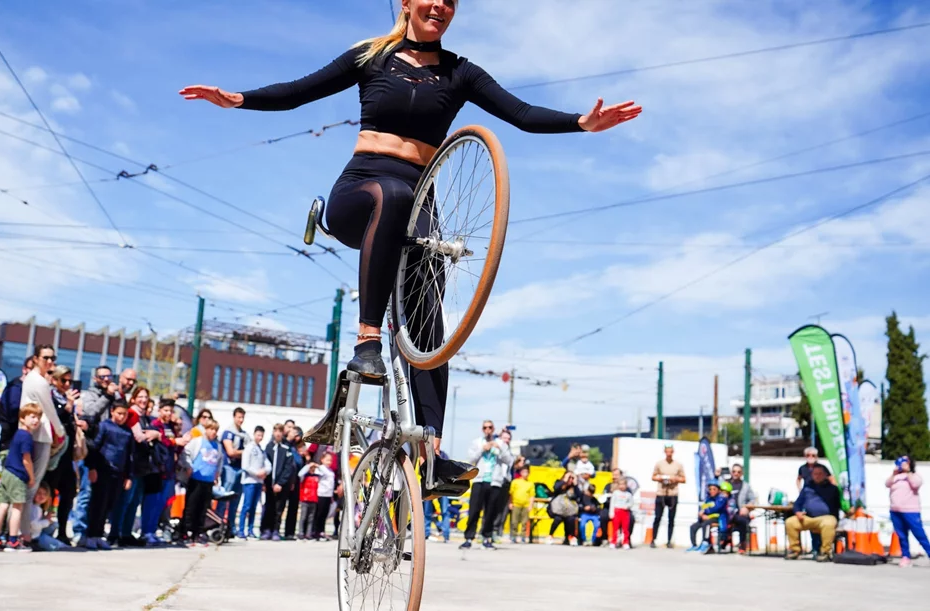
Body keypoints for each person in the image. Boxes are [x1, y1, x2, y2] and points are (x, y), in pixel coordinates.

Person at [189, 0, 641, 492]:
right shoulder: (371, 57)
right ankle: (367, 341)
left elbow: (522, 114)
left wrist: (581, 122)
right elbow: (299, 91)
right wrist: (238, 98)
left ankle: (430, 452)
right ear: (407, 2)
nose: (441, 6)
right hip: (361, 191)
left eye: (451, 1)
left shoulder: (460, 73)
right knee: (394, 195)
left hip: (419, 204)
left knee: (429, 327)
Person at [18, 344, 65, 545]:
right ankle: (24, 534)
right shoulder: (38, 381)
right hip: (39, 435)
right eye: (45, 357)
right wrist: (60, 431)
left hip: (36, 433)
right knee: (31, 486)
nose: (50, 361)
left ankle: (21, 532)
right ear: (36, 358)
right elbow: (49, 409)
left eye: (53, 358)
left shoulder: (36, 379)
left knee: (30, 486)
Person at [108, 386, 160, 547]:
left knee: (134, 502)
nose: (143, 400)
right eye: (140, 397)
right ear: (133, 399)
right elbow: (138, 437)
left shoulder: (146, 417)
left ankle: (126, 533)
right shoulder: (132, 414)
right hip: (131, 464)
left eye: (146, 397)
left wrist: (156, 434)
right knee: (124, 501)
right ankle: (115, 533)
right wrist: (154, 434)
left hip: (142, 466)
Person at [0, 403, 40, 553]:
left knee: (3, 505)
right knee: (17, 508)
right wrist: (31, 477)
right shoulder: (26, 436)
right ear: (22, 418)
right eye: (32, 417)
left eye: (38, 417)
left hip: (7, 472)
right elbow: (26, 459)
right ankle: (13, 540)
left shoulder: (18, 434)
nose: (36, 420)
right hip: (18, 475)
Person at [72, 365, 117, 540]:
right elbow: (90, 413)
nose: (106, 379)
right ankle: (79, 531)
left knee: (102, 496)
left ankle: (95, 532)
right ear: (95, 379)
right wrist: (107, 396)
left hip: (108, 451)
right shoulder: (90, 395)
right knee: (86, 492)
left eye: (109, 376)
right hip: (91, 449)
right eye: (102, 377)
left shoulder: (115, 396)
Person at [84, 401, 135, 551]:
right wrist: (92, 468)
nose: (122, 417)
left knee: (109, 504)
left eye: (125, 414)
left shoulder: (128, 432)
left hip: (118, 473)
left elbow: (130, 456)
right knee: (98, 503)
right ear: (112, 411)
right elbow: (95, 447)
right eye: (119, 413)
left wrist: (128, 476)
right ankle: (90, 535)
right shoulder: (104, 426)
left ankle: (99, 535)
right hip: (103, 470)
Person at [45, 366, 82, 547]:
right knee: (48, 491)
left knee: (68, 492)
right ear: (55, 380)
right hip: (52, 454)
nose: (67, 384)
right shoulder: (49, 396)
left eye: (69, 381)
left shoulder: (68, 399)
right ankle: (43, 529)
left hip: (67, 455)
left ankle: (62, 530)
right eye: (63, 380)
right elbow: (53, 418)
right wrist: (67, 407)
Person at [461, 420, 510, 549]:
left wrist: (499, 449)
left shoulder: (500, 443)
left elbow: (509, 460)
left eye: (490, 427)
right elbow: (471, 459)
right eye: (485, 427)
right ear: (482, 429)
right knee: (474, 510)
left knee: (491, 512)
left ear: (493, 429)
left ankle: (487, 538)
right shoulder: (477, 442)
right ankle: (469, 538)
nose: (487, 430)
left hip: (494, 481)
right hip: (479, 480)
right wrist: (482, 449)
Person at [141, 397, 180, 545]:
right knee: (151, 502)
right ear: (159, 410)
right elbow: (159, 443)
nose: (168, 413)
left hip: (169, 470)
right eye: (166, 410)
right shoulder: (155, 425)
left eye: (171, 410)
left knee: (161, 503)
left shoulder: (171, 426)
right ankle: (146, 531)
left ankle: (153, 530)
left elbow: (174, 447)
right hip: (157, 469)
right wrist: (173, 441)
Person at [785, 463, 842, 562]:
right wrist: (798, 512)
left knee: (829, 523)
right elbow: (797, 503)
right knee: (790, 522)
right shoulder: (807, 488)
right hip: (808, 517)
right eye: (815, 474)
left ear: (825, 475)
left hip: (825, 518)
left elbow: (840, 505)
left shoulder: (833, 489)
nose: (817, 476)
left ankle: (825, 552)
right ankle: (795, 550)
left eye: (820, 474)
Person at [181, 419, 222, 546]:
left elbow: (219, 461)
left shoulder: (217, 446)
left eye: (215, 430)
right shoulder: (197, 442)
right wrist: (188, 466)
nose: (213, 432)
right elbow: (186, 453)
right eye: (211, 429)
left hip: (208, 481)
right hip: (196, 478)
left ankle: (198, 532)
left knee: (203, 508)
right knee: (191, 506)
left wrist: (217, 473)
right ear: (206, 430)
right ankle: (187, 531)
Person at [886, 456, 930, 568]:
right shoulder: (896, 477)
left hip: (911, 511)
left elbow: (916, 484)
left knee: (919, 534)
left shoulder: (914, 476)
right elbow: (887, 483)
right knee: (901, 535)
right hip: (895, 510)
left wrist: (908, 472)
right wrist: (894, 473)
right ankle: (906, 556)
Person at [262, 423, 296, 541]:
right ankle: (266, 529)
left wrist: (280, 483)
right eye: (276, 431)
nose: (277, 434)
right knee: (268, 507)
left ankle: (276, 530)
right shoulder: (268, 447)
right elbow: (265, 464)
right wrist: (265, 482)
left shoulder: (286, 448)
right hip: (269, 484)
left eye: (280, 431)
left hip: (281, 485)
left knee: (279, 508)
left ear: (282, 433)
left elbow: (288, 468)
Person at [216, 407, 247, 538]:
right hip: (229, 468)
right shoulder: (228, 432)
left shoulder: (244, 434)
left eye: (242, 417)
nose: (241, 420)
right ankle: (217, 524)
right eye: (239, 417)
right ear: (234, 417)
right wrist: (244, 452)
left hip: (240, 469)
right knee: (224, 497)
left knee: (235, 499)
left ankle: (231, 526)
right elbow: (230, 452)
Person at [238, 425, 272, 539]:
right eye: (258, 435)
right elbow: (245, 465)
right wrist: (256, 473)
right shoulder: (249, 448)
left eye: (262, 436)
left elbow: (268, 464)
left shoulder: (261, 450)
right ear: (254, 434)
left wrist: (265, 471)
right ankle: (241, 530)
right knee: (246, 506)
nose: (260, 437)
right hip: (249, 481)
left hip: (258, 482)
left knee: (253, 507)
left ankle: (250, 529)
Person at [650, 443, 685, 549]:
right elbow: (653, 476)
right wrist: (661, 478)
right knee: (657, 517)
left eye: (670, 451)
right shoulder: (659, 464)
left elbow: (683, 479)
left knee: (671, 519)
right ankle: (653, 539)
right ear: (665, 452)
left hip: (672, 494)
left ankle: (669, 540)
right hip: (661, 493)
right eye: (667, 451)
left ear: (673, 452)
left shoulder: (678, 465)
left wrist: (675, 479)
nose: (669, 454)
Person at [0, 355, 34, 452]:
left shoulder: (28, 388)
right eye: (31, 369)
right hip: (11, 442)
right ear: (24, 369)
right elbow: (14, 413)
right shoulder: (15, 388)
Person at [687, 481, 727, 553]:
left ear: (718, 490)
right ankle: (694, 545)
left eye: (714, 489)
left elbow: (716, 508)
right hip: (706, 518)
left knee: (706, 524)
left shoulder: (721, 498)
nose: (712, 491)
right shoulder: (708, 499)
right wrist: (701, 514)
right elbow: (703, 507)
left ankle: (705, 542)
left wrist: (706, 511)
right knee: (693, 526)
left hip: (717, 518)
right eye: (710, 489)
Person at [490, 430, 515, 541]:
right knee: (491, 506)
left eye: (508, 438)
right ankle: (486, 530)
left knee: (502, 508)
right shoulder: (495, 446)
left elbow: (511, 464)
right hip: (495, 480)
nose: (507, 440)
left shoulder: (509, 451)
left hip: (506, 481)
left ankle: (496, 531)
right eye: (505, 438)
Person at [728, 463, 757, 554]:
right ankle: (725, 541)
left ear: (742, 473)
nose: (736, 473)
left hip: (740, 513)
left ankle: (742, 544)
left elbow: (753, 499)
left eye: (738, 472)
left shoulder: (746, 486)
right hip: (728, 512)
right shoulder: (725, 484)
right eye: (734, 471)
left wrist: (746, 507)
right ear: (731, 472)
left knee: (742, 521)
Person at [547, 471, 580, 545]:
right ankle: (550, 535)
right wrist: (564, 480)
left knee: (571, 519)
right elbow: (556, 489)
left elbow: (579, 496)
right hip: (556, 510)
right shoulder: (559, 483)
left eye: (572, 478)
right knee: (558, 518)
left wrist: (575, 484)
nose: (570, 479)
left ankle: (571, 537)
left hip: (569, 511)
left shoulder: (574, 487)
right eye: (569, 477)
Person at [311, 453, 336, 540]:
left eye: (330, 460)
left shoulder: (330, 470)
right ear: (322, 459)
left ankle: (321, 531)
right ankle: (315, 532)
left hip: (328, 495)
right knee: (319, 514)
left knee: (324, 514)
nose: (329, 462)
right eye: (327, 460)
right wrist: (317, 466)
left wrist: (332, 495)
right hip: (321, 494)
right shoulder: (320, 469)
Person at [507, 465, 535, 544]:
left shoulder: (530, 484)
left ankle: (523, 537)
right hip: (516, 504)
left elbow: (532, 495)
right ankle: (513, 536)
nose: (525, 474)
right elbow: (511, 493)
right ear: (521, 473)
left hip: (525, 505)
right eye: (524, 472)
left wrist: (530, 505)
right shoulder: (515, 482)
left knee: (524, 522)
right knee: (514, 522)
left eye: (527, 472)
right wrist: (510, 503)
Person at [296, 459, 321, 540]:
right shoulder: (304, 476)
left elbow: (324, 473)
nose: (312, 469)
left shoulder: (317, 476)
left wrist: (318, 466)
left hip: (314, 499)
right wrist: (308, 466)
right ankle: (301, 532)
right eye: (311, 468)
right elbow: (300, 473)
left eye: (314, 468)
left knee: (311, 518)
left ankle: (308, 534)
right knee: (303, 517)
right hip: (305, 499)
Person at [609, 478, 635, 549]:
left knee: (625, 529)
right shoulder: (615, 493)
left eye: (623, 484)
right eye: (620, 484)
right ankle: (613, 542)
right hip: (617, 511)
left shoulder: (628, 494)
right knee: (615, 529)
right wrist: (611, 512)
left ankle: (625, 542)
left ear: (626, 485)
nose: (622, 486)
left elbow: (631, 503)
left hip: (625, 512)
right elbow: (612, 503)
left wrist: (627, 506)